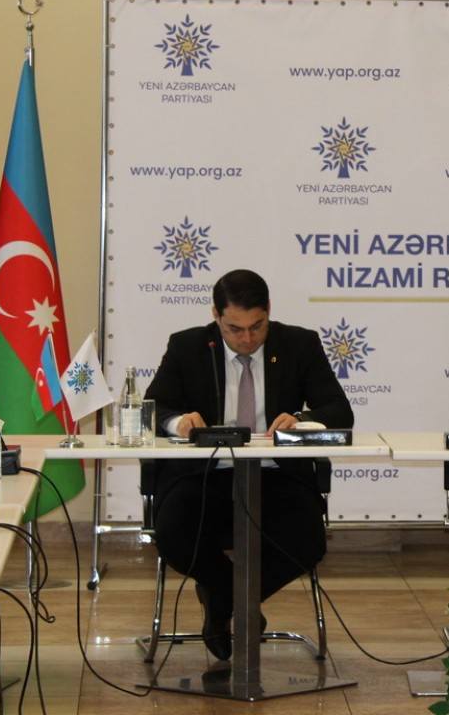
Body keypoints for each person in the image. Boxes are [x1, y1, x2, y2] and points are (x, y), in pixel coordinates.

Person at [144, 269, 353, 661]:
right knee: (173, 532)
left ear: (269, 311)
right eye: (234, 329)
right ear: (216, 316)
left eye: (257, 327)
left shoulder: (299, 344)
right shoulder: (188, 346)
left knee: (308, 539)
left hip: (276, 476)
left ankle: (222, 601)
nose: (246, 339)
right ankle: (233, 599)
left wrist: (302, 420)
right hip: (205, 476)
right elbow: (154, 408)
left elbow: (339, 410)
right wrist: (180, 422)